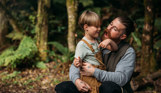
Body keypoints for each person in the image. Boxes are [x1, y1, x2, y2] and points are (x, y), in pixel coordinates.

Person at [55, 16, 136, 93]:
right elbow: (75, 64)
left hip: (111, 89)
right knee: (63, 87)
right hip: (89, 85)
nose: (108, 29)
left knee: (108, 87)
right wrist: (77, 81)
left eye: (114, 29)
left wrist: (94, 72)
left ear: (122, 36)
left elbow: (121, 79)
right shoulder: (95, 41)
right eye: (110, 24)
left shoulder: (128, 51)